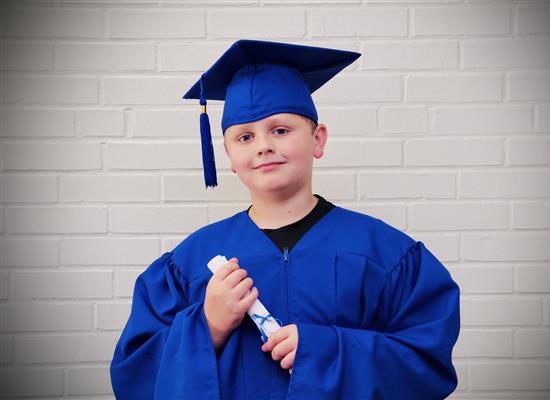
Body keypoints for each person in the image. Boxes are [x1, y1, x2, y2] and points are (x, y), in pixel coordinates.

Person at [110, 39, 460, 399]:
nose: (263, 145)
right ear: (229, 155)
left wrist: (326, 351)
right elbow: (132, 375)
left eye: (280, 130)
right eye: (245, 136)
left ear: (317, 140)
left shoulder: (385, 254)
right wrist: (207, 326)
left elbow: (426, 363)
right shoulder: (189, 262)